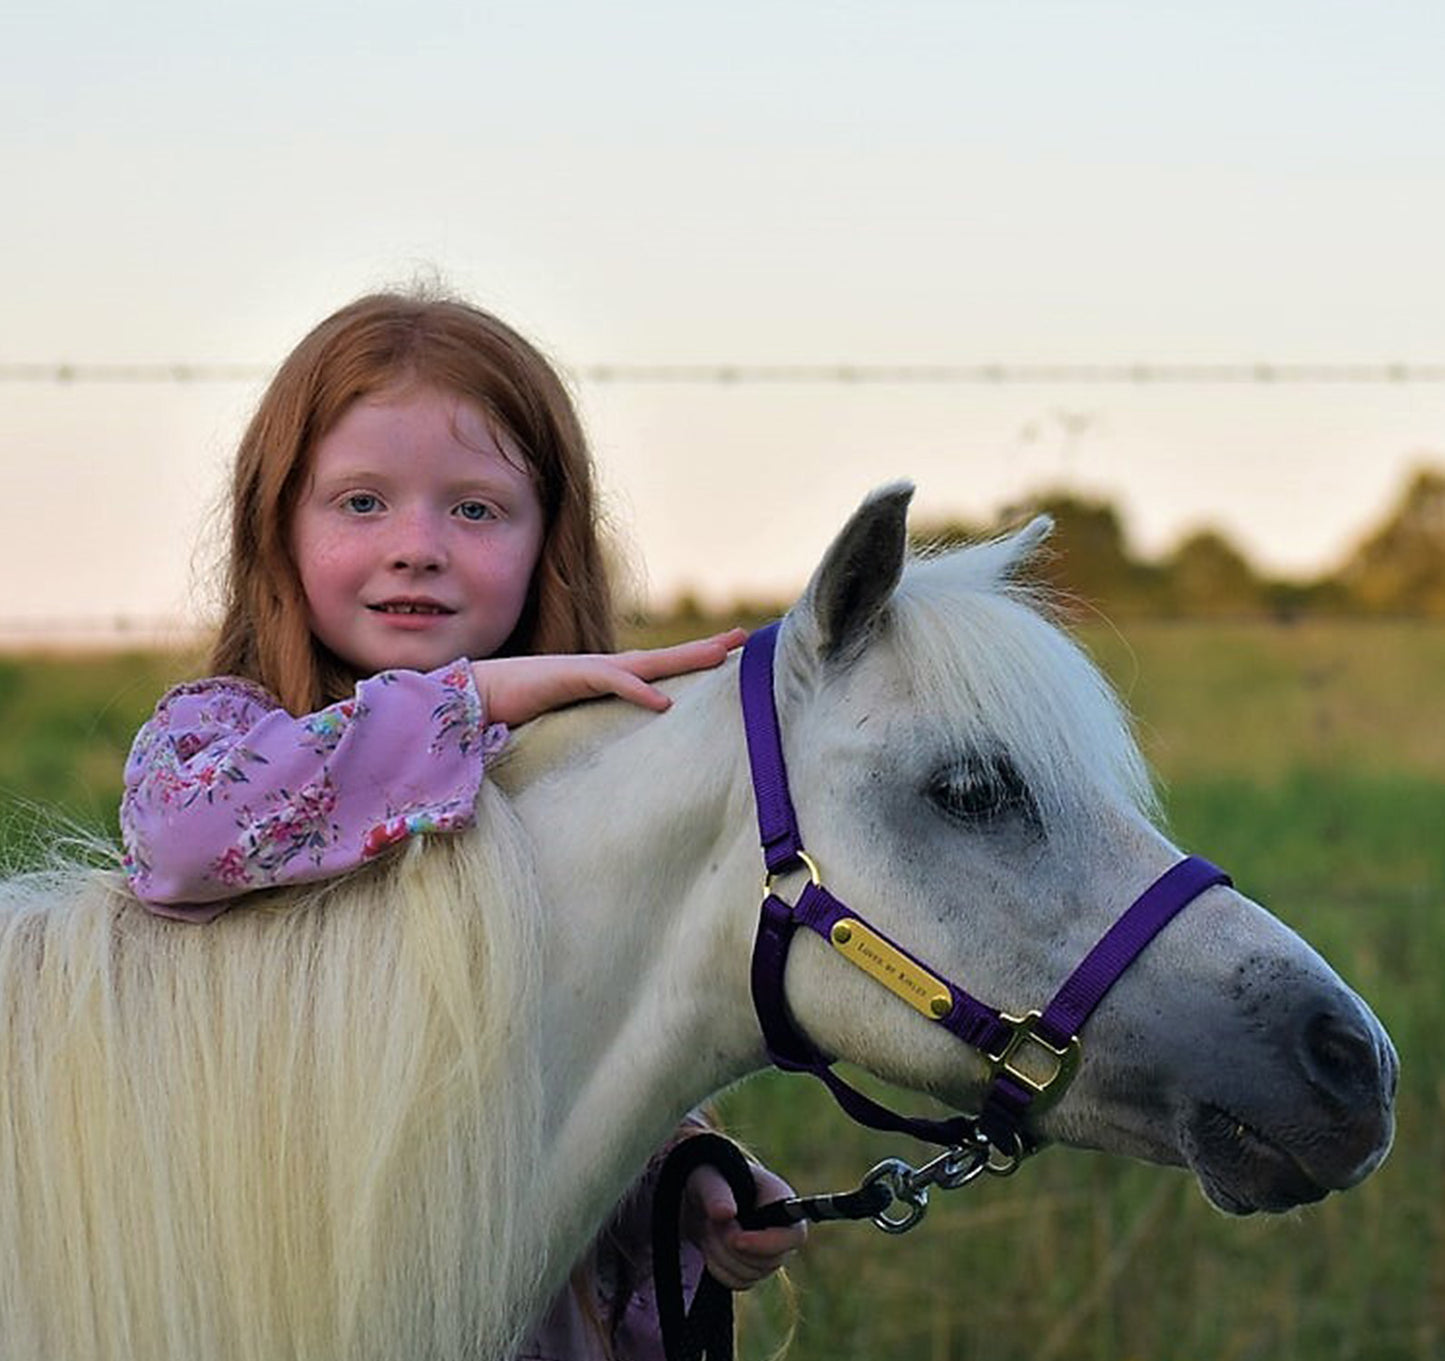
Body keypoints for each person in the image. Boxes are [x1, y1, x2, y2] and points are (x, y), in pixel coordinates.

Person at [119, 290, 805, 1359]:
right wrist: (468, 699)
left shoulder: (574, 784)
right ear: (278, 525)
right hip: (295, 1295)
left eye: (476, 510)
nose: (417, 547)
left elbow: (570, 1064)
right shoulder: (224, 731)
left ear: (549, 540)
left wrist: (677, 1179)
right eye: (358, 503)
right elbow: (181, 844)